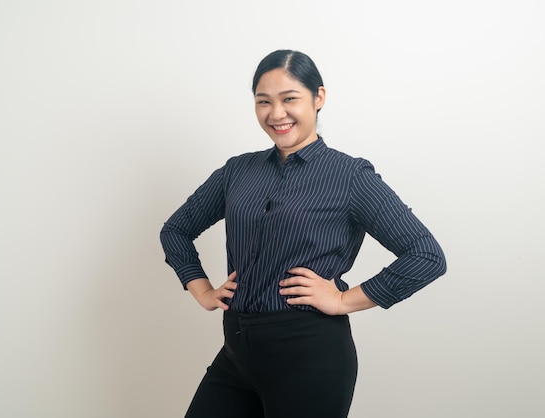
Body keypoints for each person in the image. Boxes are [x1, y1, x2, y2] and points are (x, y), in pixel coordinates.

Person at [160, 49, 447, 418]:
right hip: (236, 356)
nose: (276, 113)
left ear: (318, 98)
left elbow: (425, 255)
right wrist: (200, 288)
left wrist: (344, 301)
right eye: (264, 101)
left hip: (310, 361)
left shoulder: (350, 177)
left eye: (289, 99)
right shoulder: (238, 171)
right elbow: (177, 230)